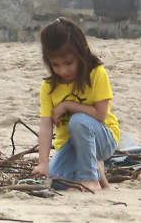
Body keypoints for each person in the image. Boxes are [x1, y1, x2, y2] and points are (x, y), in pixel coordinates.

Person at [32, 17, 121, 193]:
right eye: (55, 65)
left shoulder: (96, 74)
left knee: (78, 121)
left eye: (69, 63)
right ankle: (96, 168)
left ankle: (90, 179)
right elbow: (45, 126)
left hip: (103, 139)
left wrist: (68, 105)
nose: (63, 70)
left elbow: (100, 115)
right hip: (69, 145)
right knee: (57, 181)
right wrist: (43, 162)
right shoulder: (48, 86)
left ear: (81, 53)